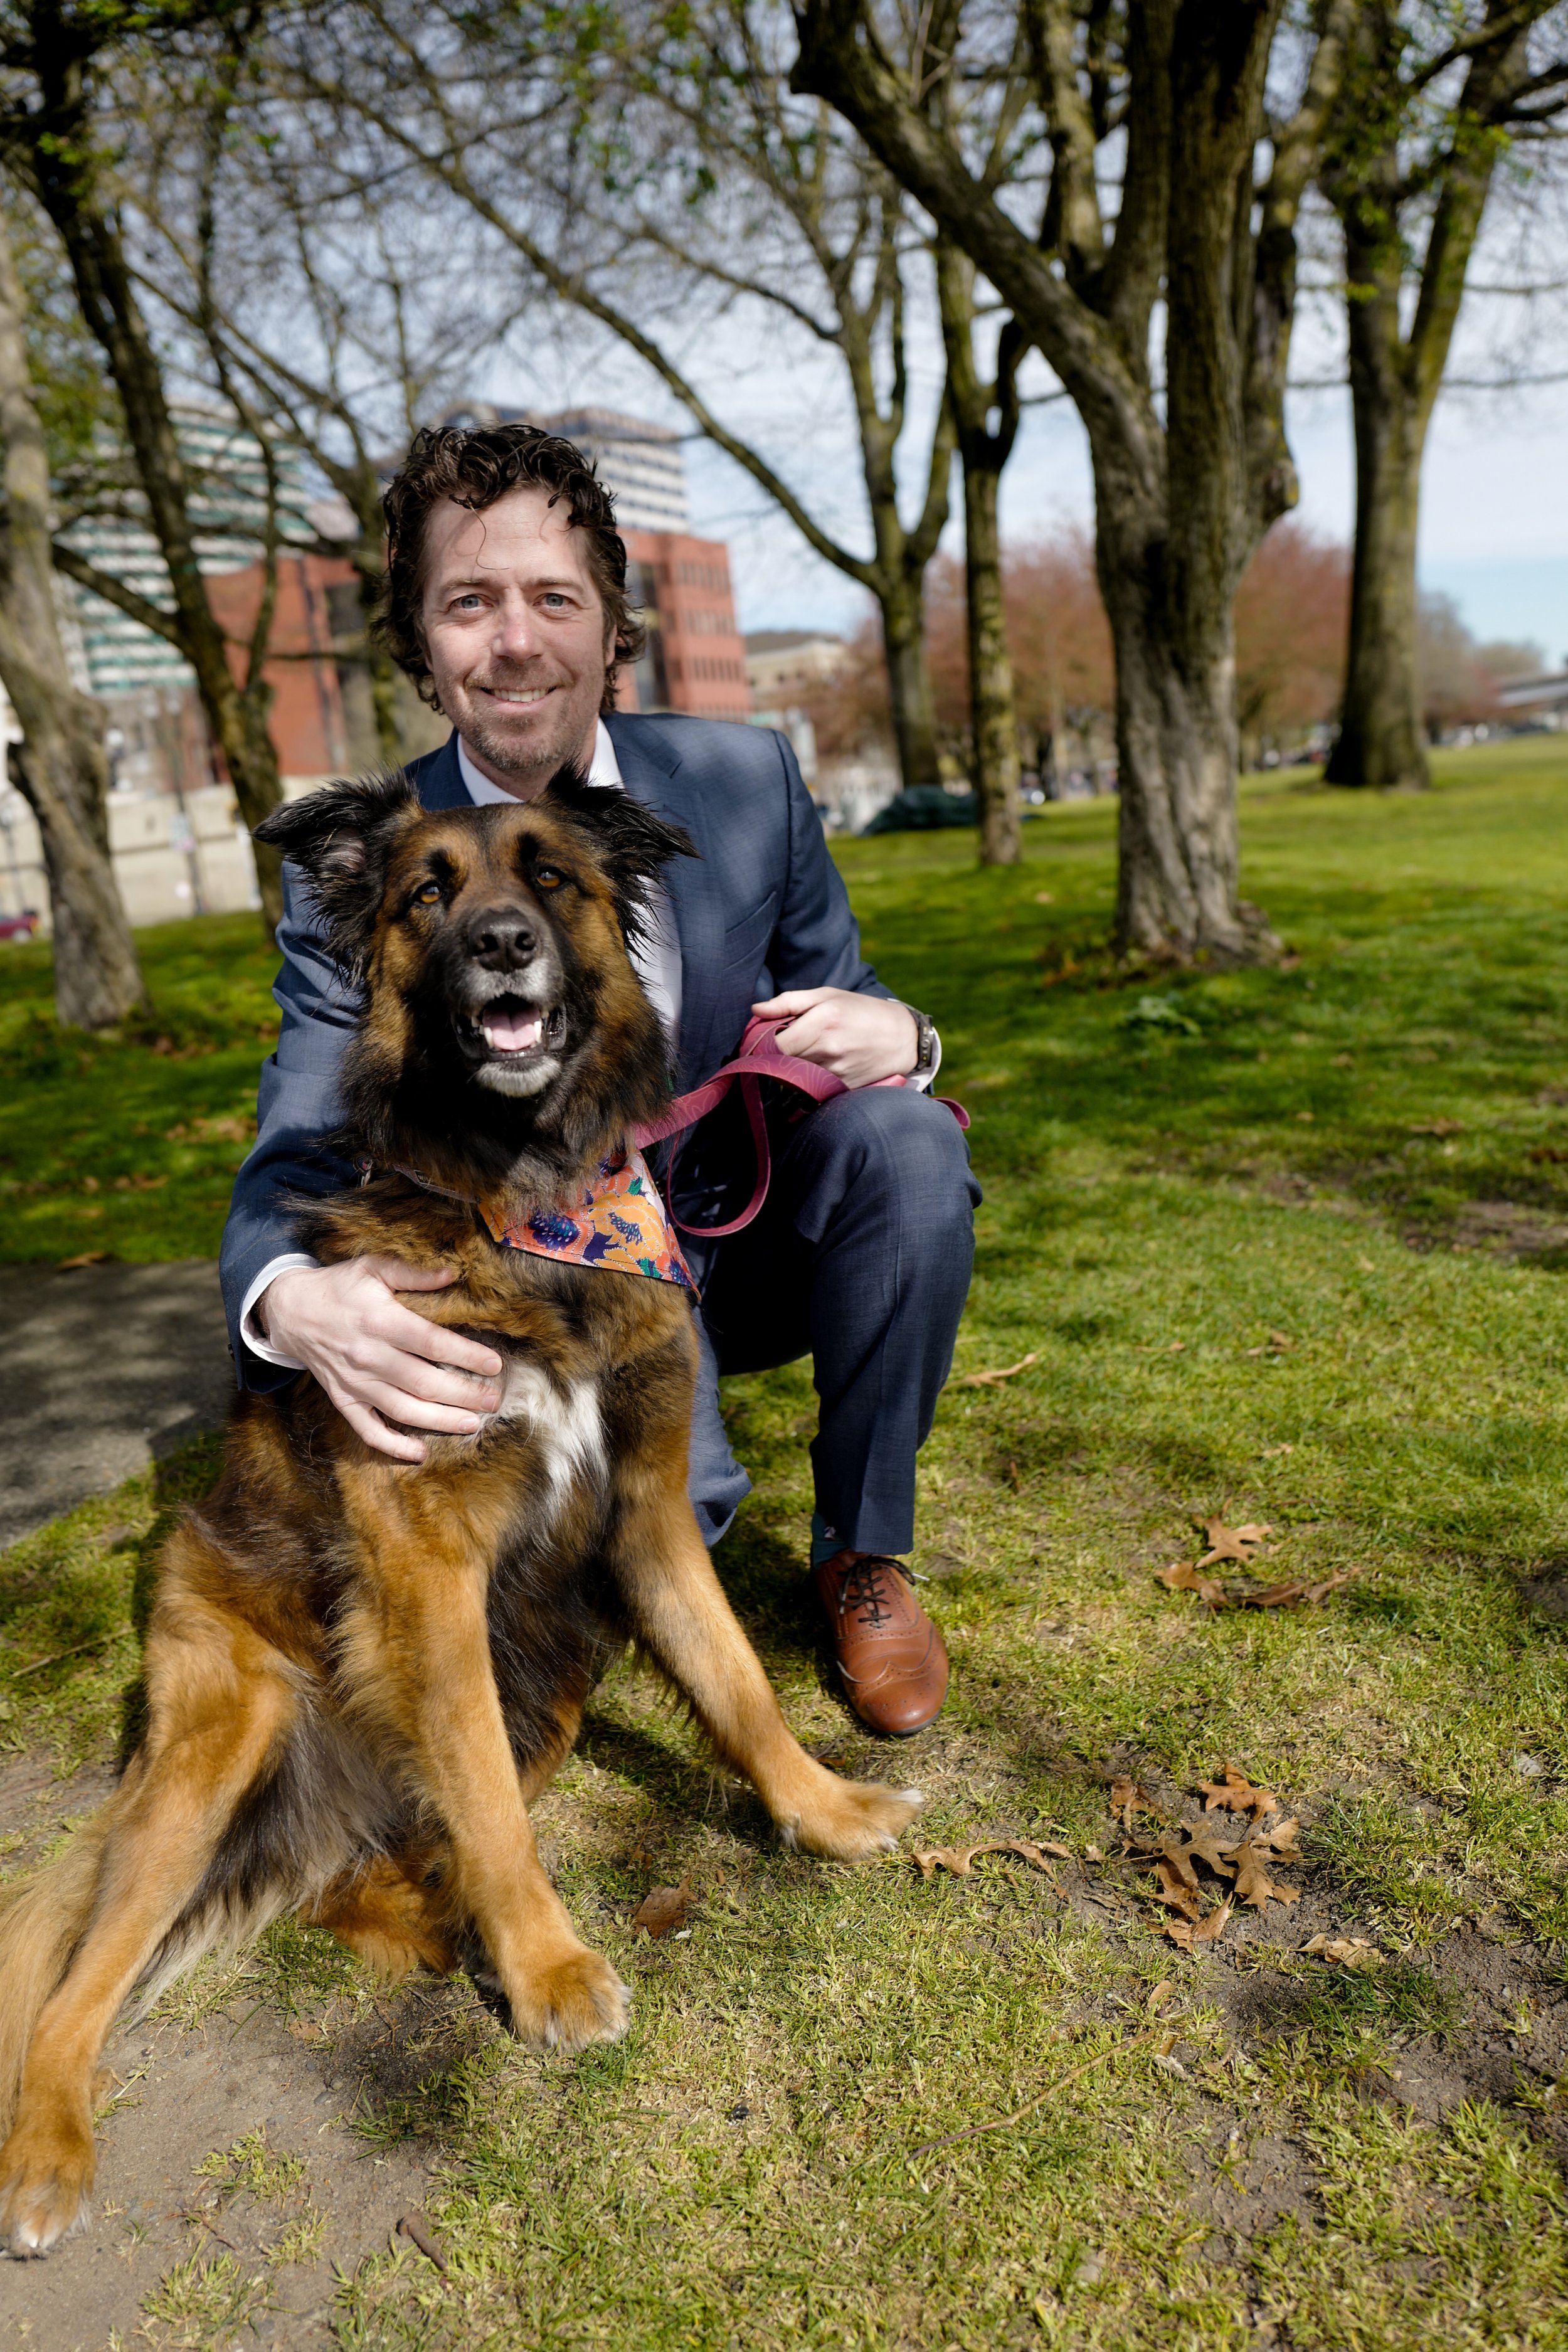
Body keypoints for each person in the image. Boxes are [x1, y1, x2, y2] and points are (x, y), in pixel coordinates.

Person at [221, 422, 977, 1737]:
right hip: (538, 1281)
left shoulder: (746, 782)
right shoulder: (368, 857)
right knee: (656, 1531)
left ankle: (862, 1553)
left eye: (551, 599)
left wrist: (903, 1040)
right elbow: (294, 1131)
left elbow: (836, 1011)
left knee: (902, 1146)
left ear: (610, 624)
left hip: (738, 1242)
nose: (514, 642)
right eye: (469, 602)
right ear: (421, 639)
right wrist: (288, 1302)